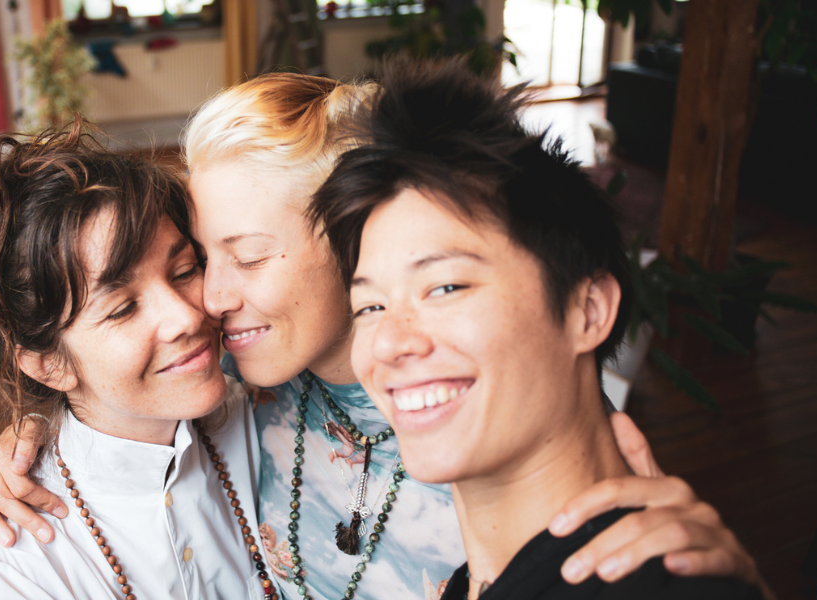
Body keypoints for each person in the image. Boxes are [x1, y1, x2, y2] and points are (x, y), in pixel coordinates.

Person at [0, 73, 766, 599]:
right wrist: (40, 421)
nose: (204, 302)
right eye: (207, 259)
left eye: (242, 257)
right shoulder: (247, 394)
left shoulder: (506, 414)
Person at [312, 60, 762, 600]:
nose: (389, 342)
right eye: (369, 307)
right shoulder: (476, 582)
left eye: (447, 288)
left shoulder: (659, 583)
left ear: (588, 310)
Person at [0, 123, 274, 599]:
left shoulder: (266, 414)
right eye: (123, 308)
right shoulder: (7, 567)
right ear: (47, 363)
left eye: (185, 270)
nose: (187, 317)